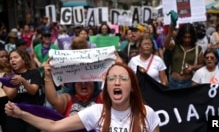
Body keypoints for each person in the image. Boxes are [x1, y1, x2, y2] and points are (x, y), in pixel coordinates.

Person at [5, 62, 160, 132]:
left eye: (123, 79)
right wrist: (21, 114)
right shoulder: (97, 112)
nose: (117, 82)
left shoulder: (147, 113)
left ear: (132, 87)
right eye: (112, 79)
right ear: (107, 86)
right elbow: (53, 126)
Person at [3, 49, 44, 132]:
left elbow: (33, 91)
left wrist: (23, 80)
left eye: (15, 57)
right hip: (14, 115)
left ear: (23, 59)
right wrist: (16, 85)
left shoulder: (34, 72)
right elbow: (10, 96)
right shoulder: (7, 76)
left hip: (32, 114)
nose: (12, 60)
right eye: (10, 58)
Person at [164, 23, 204, 89]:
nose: (187, 40)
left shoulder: (197, 49)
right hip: (173, 82)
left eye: (189, 37)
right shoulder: (175, 45)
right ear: (181, 36)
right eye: (185, 37)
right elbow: (166, 45)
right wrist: (170, 33)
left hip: (188, 83)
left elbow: (201, 64)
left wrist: (192, 67)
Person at [0, 48, 9, 132]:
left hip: (6, 107)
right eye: (2, 56)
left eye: (6, 56)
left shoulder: (11, 72)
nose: (5, 59)